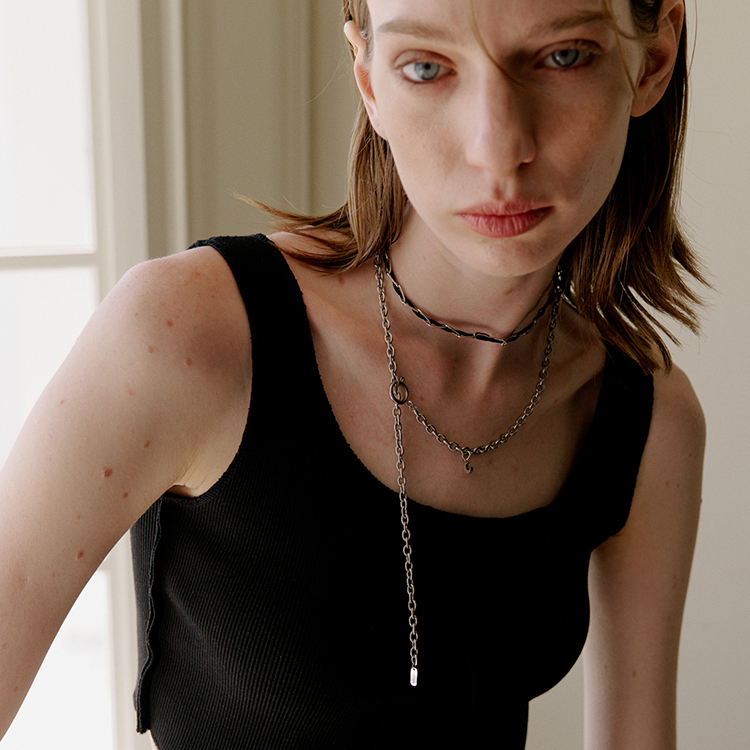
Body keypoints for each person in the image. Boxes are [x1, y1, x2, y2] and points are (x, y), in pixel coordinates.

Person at [0, 0, 705, 747]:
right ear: (369, 81)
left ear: (653, 60)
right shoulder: (186, 332)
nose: (498, 149)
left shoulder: (645, 419)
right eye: (426, 67)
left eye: (563, 56)